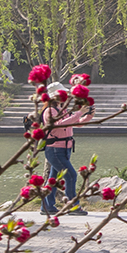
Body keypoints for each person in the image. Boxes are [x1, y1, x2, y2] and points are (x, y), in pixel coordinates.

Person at [38, 84, 86, 216]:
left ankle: (47, 207)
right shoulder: (49, 111)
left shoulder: (61, 109)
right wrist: (79, 113)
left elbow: (75, 123)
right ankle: (73, 206)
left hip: (65, 149)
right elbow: (58, 125)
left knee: (53, 179)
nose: (65, 96)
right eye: (62, 93)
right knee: (71, 175)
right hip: (54, 149)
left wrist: (87, 115)